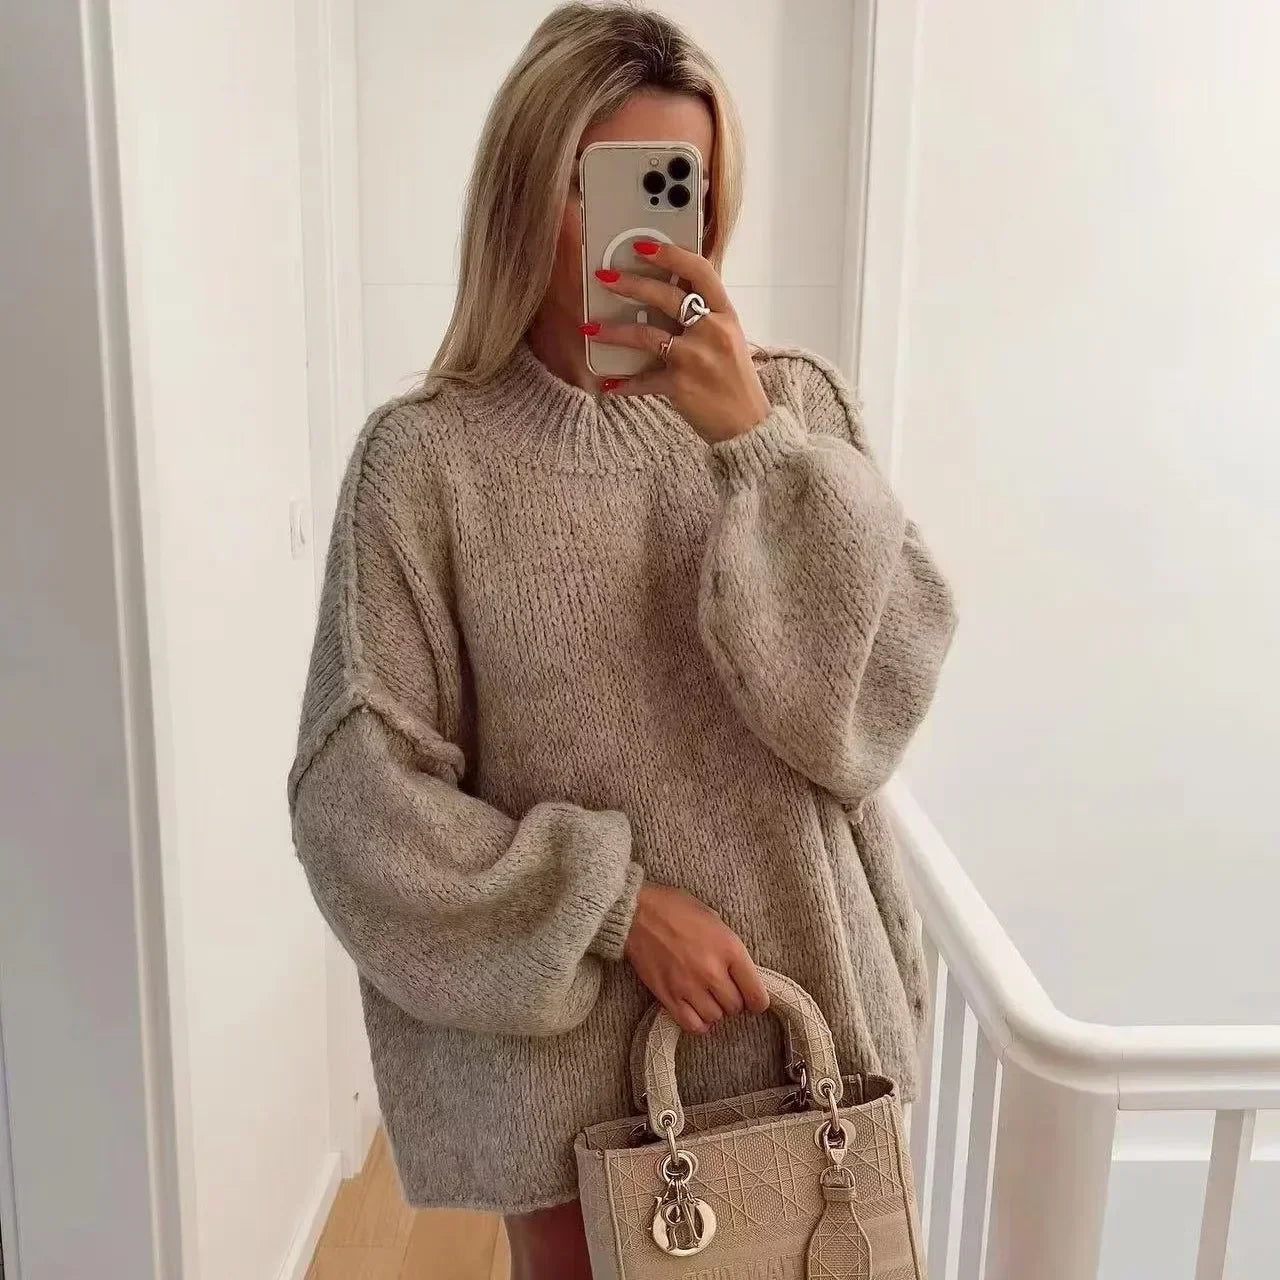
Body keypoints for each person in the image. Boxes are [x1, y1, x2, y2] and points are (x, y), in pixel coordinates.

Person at [287, 4, 957, 1277]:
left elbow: (868, 710)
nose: (644, 236)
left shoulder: (793, 408)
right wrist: (613, 904)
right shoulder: (427, 464)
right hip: (570, 1096)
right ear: (524, 194)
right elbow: (356, 803)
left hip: (806, 1046)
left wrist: (753, 444)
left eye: (676, 188)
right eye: (602, 189)